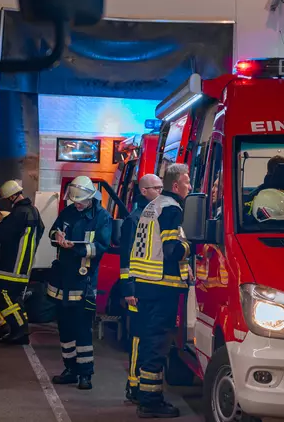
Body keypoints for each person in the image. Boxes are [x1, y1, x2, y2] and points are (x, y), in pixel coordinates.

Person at [130, 163, 192, 418]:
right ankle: (151, 402)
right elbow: (171, 249)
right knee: (157, 344)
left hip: (145, 282)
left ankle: (144, 394)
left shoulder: (152, 206)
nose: (191, 187)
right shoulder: (172, 209)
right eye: (187, 182)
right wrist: (191, 246)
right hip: (162, 284)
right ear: (176, 185)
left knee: (147, 340)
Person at [47, 176, 112, 390]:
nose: (77, 204)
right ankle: (70, 369)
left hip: (83, 280)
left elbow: (100, 247)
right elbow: (53, 231)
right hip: (62, 280)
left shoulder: (101, 217)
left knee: (82, 329)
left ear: (90, 198)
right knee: (65, 328)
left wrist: (73, 248)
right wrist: (57, 235)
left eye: (80, 201)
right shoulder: (68, 212)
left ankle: (85, 374)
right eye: (74, 201)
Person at [118, 173, 163, 404]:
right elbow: (126, 259)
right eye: (156, 188)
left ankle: (141, 383)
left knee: (149, 336)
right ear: (144, 191)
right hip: (138, 290)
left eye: (162, 187)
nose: (160, 192)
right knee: (138, 336)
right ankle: (133, 384)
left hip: (152, 289)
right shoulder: (134, 220)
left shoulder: (156, 215)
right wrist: (129, 289)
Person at [0, 180, 45, 344]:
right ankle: (19, 330)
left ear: (12, 197)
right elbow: (41, 230)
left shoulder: (19, 213)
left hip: (10, 266)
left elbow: (0, 235)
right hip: (24, 266)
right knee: (15, 299)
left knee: (2, 296)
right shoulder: (33, 211)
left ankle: (20, 331)